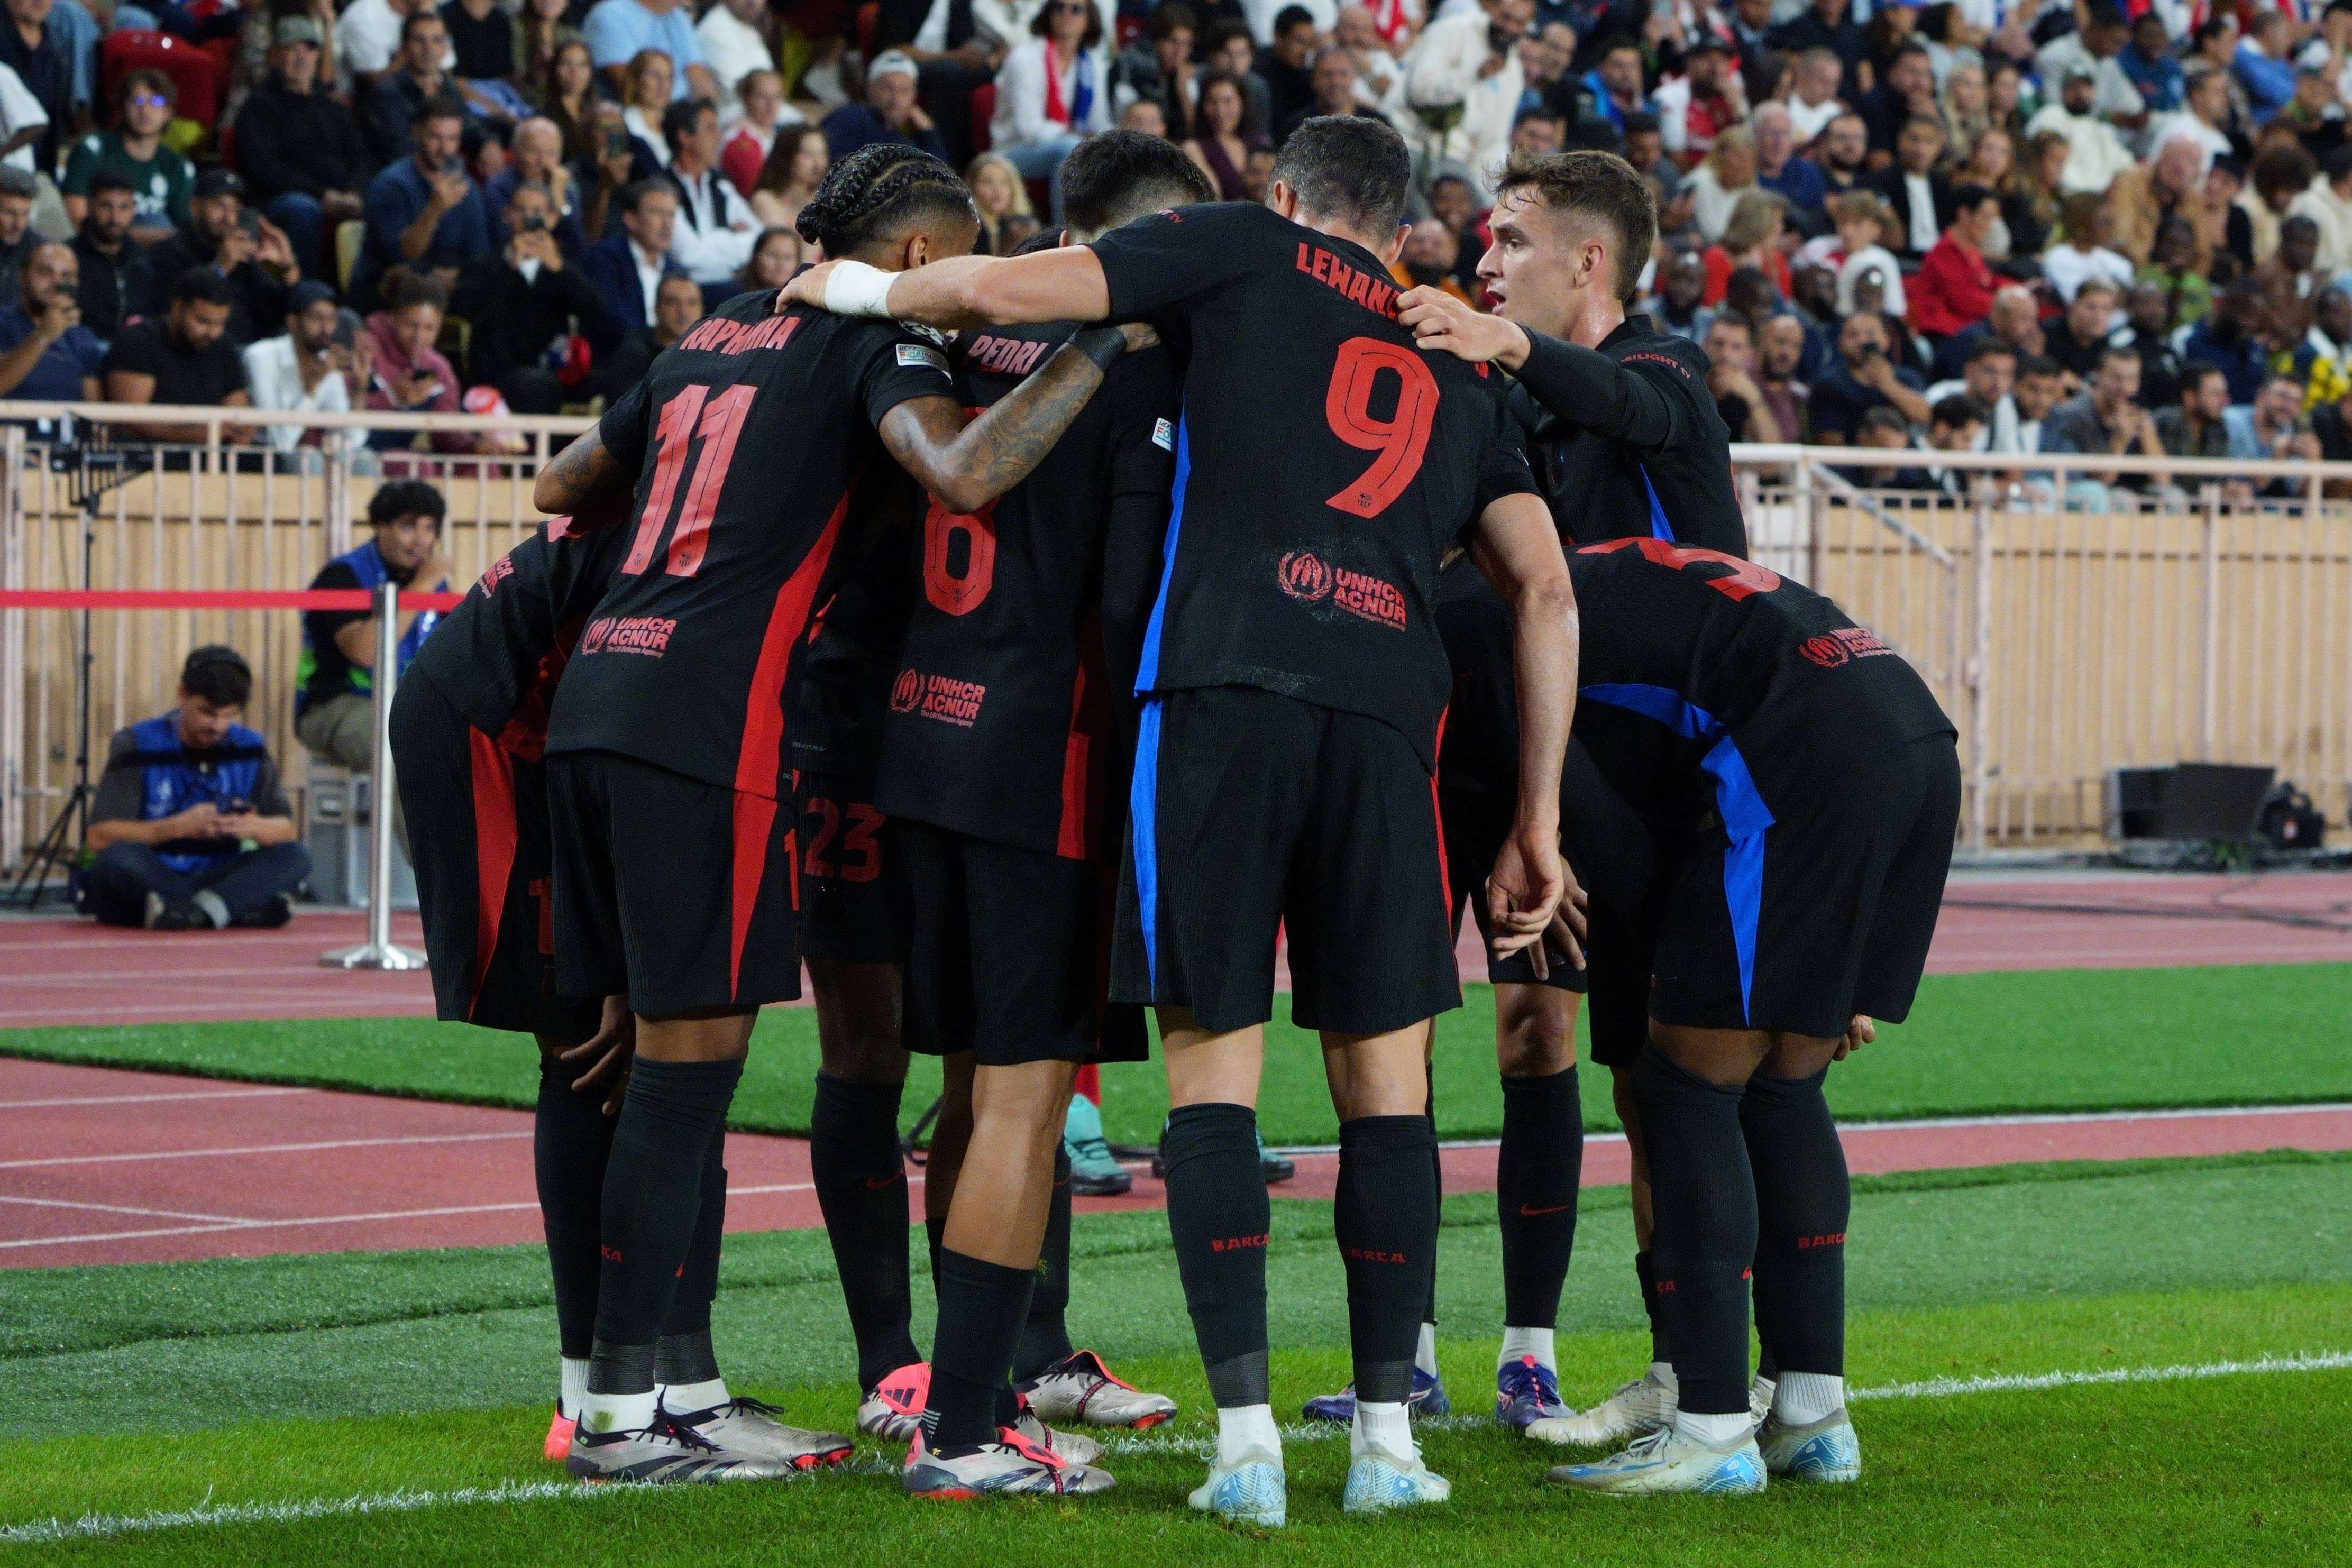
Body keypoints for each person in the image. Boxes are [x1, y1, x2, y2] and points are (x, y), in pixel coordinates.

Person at [786, 113, 1579, 1523]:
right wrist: (1536, 816)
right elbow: (1543, 589)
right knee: (1384, 1095)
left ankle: (1247, 1442)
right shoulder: (1461, 357)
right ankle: (1389, 1441)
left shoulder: (1235, 251)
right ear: (1401, 236)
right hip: (1387, 718)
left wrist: (854, 289)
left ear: (1279, 197)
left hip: (1214, 689)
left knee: (1212, 1072)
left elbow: (993, 289)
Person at [529, 138, 1151, 1488]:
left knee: (626, 1063)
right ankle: (625, 1421)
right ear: (921, 260)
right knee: (684, 1077)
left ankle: (666, 1387)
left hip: (594, 700)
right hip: (713, 722)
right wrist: (1103, 344)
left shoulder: (712, 328)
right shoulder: (874, 340)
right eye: (973, 255)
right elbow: (969, 473)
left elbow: (563, 478)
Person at [820, 130, 1209, 1473]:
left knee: (974, 1084)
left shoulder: (946, 339)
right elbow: (1133, 588)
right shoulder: (1131, 360)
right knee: (1025, 1098)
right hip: (1045, 760)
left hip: (920, 743)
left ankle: (979, 1369)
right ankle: (969, 1421)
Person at [1395, 146, 1752, 1452]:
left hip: (1641, 787)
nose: (1484, 265)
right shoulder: (1512, 407)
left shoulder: (1660, 378)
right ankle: (1408, 1353)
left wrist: (1492, 340)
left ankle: (1660, 1367)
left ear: (1585, 261)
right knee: (1407, 1035)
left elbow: (1625, 400)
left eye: (1508, 244)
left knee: (1652, 1075)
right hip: (1496, 745)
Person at [1531, 531, 1958, 1494]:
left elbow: (1615, 843)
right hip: (1910, 731)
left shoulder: (1498, 609)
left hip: (1803, 763)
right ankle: (1811, 1415)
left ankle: (1712, 1424)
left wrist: (1661, 984)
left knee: (1685, 1085)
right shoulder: (1616, 562)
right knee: (1782, 1084)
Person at [80, 647, 311, 931]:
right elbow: (99, 837)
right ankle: (227, 909)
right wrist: (177, 827)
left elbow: (286, 829)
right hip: (156, 870)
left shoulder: (250, 747)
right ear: (182, 694)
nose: (217, 726)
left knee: (294, 857)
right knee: (116, 862)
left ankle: (184, 912)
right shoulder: (137, 743)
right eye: (207, 713)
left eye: (229, 716)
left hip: (220, 872)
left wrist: (252, 826)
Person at [297, 479, 451, 775]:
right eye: (408, 526)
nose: (420, 540)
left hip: (405, 709)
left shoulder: (434, 584)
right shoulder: (342, 575)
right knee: (402, 750)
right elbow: (365, 652)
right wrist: (422, 588)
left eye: (429, 528)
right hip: (334, 706)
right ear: (380, 527)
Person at [450, 178, 606, 415]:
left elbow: (595, 312)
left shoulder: (564, 270)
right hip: (499, 371)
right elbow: (468, 313)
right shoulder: (482, 266)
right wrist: (510, 269)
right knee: (535, 385)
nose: (529, 219)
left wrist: (560, 270)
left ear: (552, 219)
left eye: (537, 212)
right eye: (521, 210)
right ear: (507, 215)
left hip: (557, 371)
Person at [235, 16, 372, 282]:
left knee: (386, 195)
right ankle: (304, 296)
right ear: (275, 54)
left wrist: (356, 192)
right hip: (283, 200)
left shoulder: (334, 107)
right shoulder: (259, 107)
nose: (302, 58)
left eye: (309, 49)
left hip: (342, 196)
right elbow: (264, 169)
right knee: (302, 208)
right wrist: (323, 196)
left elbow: (361, 155)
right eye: (291, 49)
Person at [126, 170, 301, 350]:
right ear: (195, 206)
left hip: (250, 354)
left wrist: (288, 269)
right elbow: (172, 318)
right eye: (219, 206)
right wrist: (220, 268)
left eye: (235, 209)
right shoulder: (168, 252)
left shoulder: (244, 254)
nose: (228, 217)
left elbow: (282, 316)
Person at [356, 95, 492, 308]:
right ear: (416, 133)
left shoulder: (467, 188)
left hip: (450, 283)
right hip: (392, 288)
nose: (445, 149)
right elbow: (403, 256)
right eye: (435, 138)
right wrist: (435, 209)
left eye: (453, 139)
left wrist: (456, 277)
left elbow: (478, 256)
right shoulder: (391, 185)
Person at [991, 0, 1113, 224]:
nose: (1067, 14)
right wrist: (1077, 136)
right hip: (1013, 150)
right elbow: (1028, 129)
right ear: (1049, 14)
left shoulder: (1093, 65)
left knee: (1112, 150)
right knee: (1070, 149)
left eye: (1076, 9)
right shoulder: (1025, 57)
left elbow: (1100, 123)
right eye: (1059, 7)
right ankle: (1064, 238)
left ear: (1088, 20)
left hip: (1068, 142)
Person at [102, 269, 254, 444]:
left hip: (211, 459)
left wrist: (240, 431)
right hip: (149, 459)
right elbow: (130, 421)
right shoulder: (139, 341)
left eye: (220, 324)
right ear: (177, 308)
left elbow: (237, 411)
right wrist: (203, 433)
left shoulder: (222, 346)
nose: (213, 333)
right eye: (203, 321)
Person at [61, 69, 190, 242]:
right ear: (122, 108)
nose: (145, 110)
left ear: (168, 112)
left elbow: (185, 230)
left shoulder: (177, 165)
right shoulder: (93, 150)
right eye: (137, 100)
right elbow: (77, 220)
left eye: (156, 101)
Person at [242, 279, 366, 453]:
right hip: (261, 460)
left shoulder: (328, 364)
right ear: (292, 322)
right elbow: (279, 442)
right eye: (317, 318)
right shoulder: (261, 357)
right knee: (309, 459)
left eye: (331, 319)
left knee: (364, 459)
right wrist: (312, 387)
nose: (326, 329)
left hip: (302, 460)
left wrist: (359, 390)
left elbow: (354, 441)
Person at [658, 97, 759, 294]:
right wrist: (729, 236)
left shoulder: (719, 184)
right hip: (687, 292)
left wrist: (708, 242)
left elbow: (760, 241)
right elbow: (689, 257)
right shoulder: (663, 189)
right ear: (685, 137)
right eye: (710, 129)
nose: (719, 137)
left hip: (731, 288)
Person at [580, 179, 685, 356]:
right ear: (630, 219)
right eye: (657, 213)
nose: (667, 224)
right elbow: (613, 324)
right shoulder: (604, 259)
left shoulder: (675, 271)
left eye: (671, 215)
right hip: (621, 363)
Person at [362, 11, 469, 170]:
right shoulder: (386, 92)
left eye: (437, 41)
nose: (429, 49)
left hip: (443, 167)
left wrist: (488, 142)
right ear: (404, 47)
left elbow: (468, 122)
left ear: (446, 48)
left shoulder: (447, 85)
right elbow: (399, 149)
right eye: (420, 41)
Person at [1806, 310, 1930, 443]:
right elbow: (1830, 446)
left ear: (1887, 340)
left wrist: (1889, 385)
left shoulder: (1907, 377)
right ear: (1840, 343)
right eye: (1853, 335)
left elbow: (1925, 416)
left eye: (1870, 334)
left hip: (1903, 460)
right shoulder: (1827, 385)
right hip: (1852, 461)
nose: (1863, 341)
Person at [0, 237, 98, 402]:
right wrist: (44, 335)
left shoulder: (82, 337)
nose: (57, 283)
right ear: (23, 276)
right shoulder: (4, 323)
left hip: (66, 427)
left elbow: (95, 412)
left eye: (66, 276)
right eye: (45, 273)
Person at [587, 267, 699, 398]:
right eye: (673, 302)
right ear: (656, 309)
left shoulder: (712, 355)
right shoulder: (633, 354)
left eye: (692, 303)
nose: (683, 312)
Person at [1908, 182, 2000, 339]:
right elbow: (1964, 301)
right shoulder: (1942, 254)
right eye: (1985, 217)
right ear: (1964, 214)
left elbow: (1987, 281)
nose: (1989, 226)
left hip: (1971, 328)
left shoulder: (1970, 250)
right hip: (1946, 334)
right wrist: (2005, 302)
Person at [822, 49, 946, 162]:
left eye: (905, 90)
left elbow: (939, 175)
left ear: (914, 95)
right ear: (870, 88)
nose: (896, 99)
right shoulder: (852, 118)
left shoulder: (908, 136)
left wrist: (928, 130)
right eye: (888, 88)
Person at [582, 0, 717, 103]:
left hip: (683, 118)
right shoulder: (610, 14)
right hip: (636, 120)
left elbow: (698, 76)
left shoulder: (678, 16)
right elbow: (633, 88)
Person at [1867, 114, 1953, 263]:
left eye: (1929, 142)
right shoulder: (1883, 181)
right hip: (1900, 260)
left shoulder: (1943, 185)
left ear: (1939, 147)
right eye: (1914, 140)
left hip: (1938, 260)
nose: (1920, 148)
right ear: (1901, 140)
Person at [1921, 335, 2019, 454]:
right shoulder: (1942, 393)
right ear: (1969, 371)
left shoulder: (2005, 404)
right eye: (1990, 371)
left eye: (2006, 374)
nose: (1998, 382)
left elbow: (2013, 463)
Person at [67, 171, 132, 338]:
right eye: (106, 206)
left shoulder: (140, 258)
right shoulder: (68, 257)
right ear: (90, 206)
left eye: (123, 207)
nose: (115, 217)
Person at [1182, 69, 1260, 201]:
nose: (1220, 111)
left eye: (1228, 101)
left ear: (1242, 103)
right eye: (1212, 102)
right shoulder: (1193, 148)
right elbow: (1213, 198)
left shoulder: (1259, 142)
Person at [749, 123, 828, 232]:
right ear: (786, 156)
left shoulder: (826, 198)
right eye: (808, 154)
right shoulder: (764, 199)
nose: (819, 164)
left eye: (822, 154)